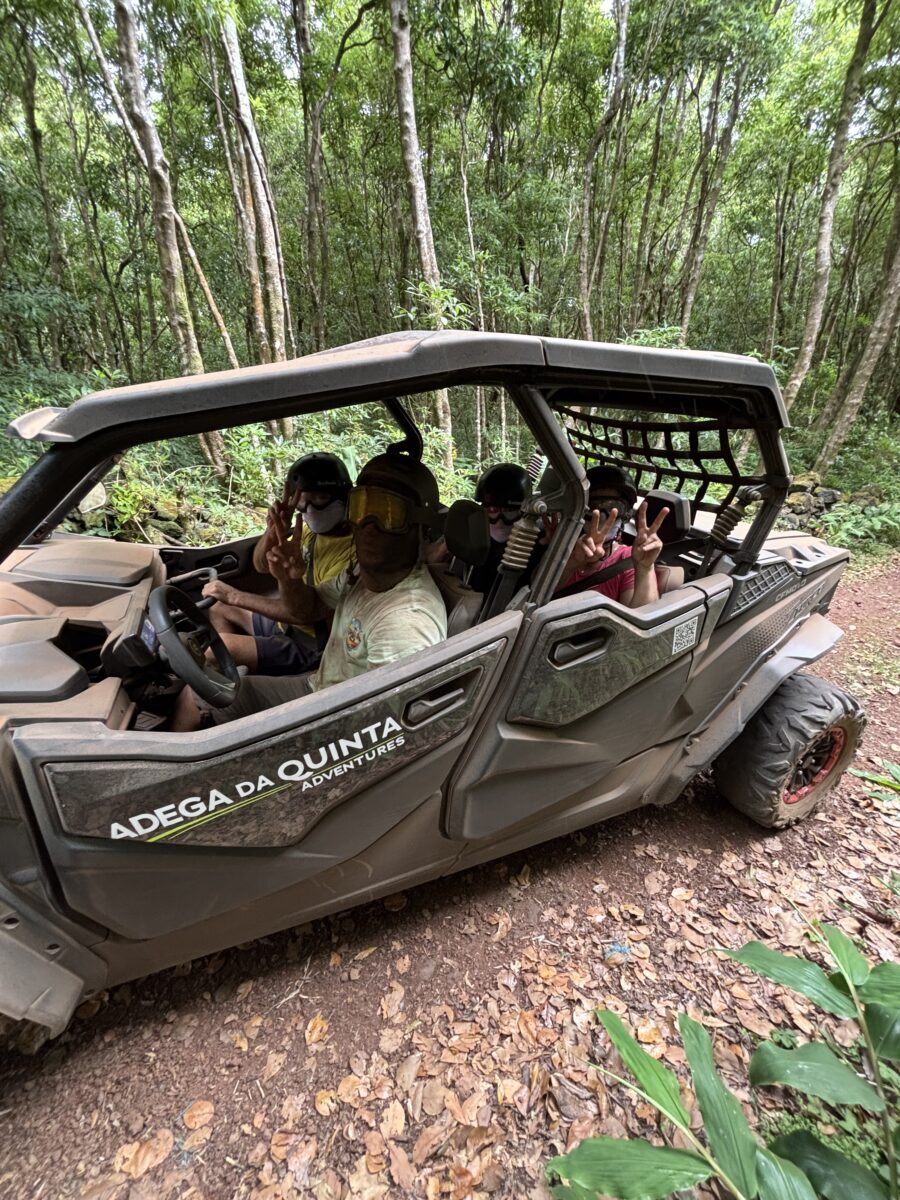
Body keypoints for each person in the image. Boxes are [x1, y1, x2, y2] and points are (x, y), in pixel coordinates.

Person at [170, 452, 448, 730]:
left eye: (389, 513)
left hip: (331, 714)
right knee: (205, 693)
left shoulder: (404, 623)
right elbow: (308, 608)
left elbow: (380, 727)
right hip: (320, 684)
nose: (368, 523)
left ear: (420, 527)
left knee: (205, 693)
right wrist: (289, 579)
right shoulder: (358, 576)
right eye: (361, 506)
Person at [201, 452, 354, 674]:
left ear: (344, 496)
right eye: (302, 500)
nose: (310, 508)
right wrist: (274, 530)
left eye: (320, 498)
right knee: (217, 605)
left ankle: (239, 674)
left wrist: (235, 596)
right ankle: (238, 671)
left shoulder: (353, 553)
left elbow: (305, 613)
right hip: (285, 626)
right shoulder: (309, 531)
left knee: (214, 651)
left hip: (313, 643)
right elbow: (260, 565)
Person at [557, 465, 669, 608]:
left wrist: (645, 568)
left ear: (625, 515)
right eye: (593, 507)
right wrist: (572, 562)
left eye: (614, 508)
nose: (603, 517)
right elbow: (538, 593)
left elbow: (643, 614)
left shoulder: (628, 558)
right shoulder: (565, 545)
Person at [468, 462, 543, 594]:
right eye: (492, 510)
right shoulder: (470, 532)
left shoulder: (537, 541)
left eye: (509, 511)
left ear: (523, 511)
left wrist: (543, 547)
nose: (500, 521)